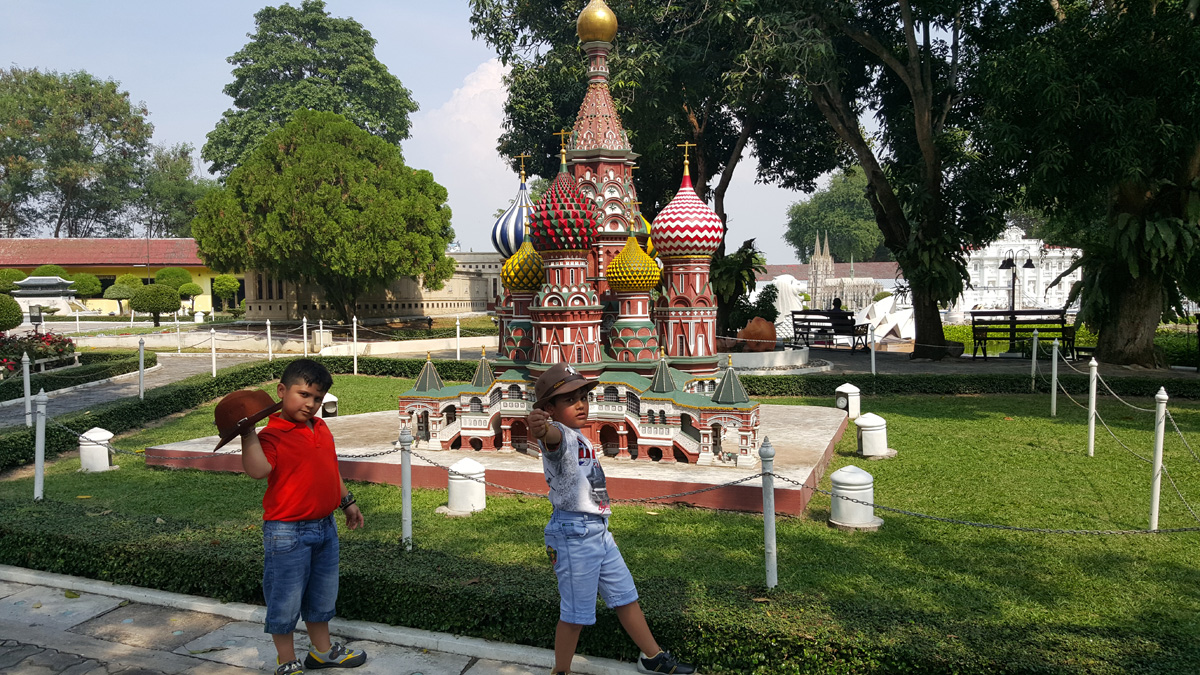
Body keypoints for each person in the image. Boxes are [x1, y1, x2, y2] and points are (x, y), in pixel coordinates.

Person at [527, 363, 695, 675]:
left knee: (625, 596)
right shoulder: (560, 436)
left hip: (599, 531)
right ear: (549, 409)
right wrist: (539, 427)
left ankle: (652, 656)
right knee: (575, 614)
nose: (580, 404)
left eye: (583, 397)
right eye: (569, 400)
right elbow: (549, 436)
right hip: (574, 533)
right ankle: (561, 671)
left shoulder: (580, 436)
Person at [238, 359, 367, 674]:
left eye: (317, 398)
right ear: (282, 391)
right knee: (285, 597)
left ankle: (322, 652)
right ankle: (286, 660)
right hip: (287, 532)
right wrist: (248, 434)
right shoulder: (272, 436)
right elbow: (258, 470)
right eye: (304, 394)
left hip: (325, 527)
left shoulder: (320, 428)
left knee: (322, 596)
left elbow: (330, 470)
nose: (310, 404)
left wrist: (347, 501)